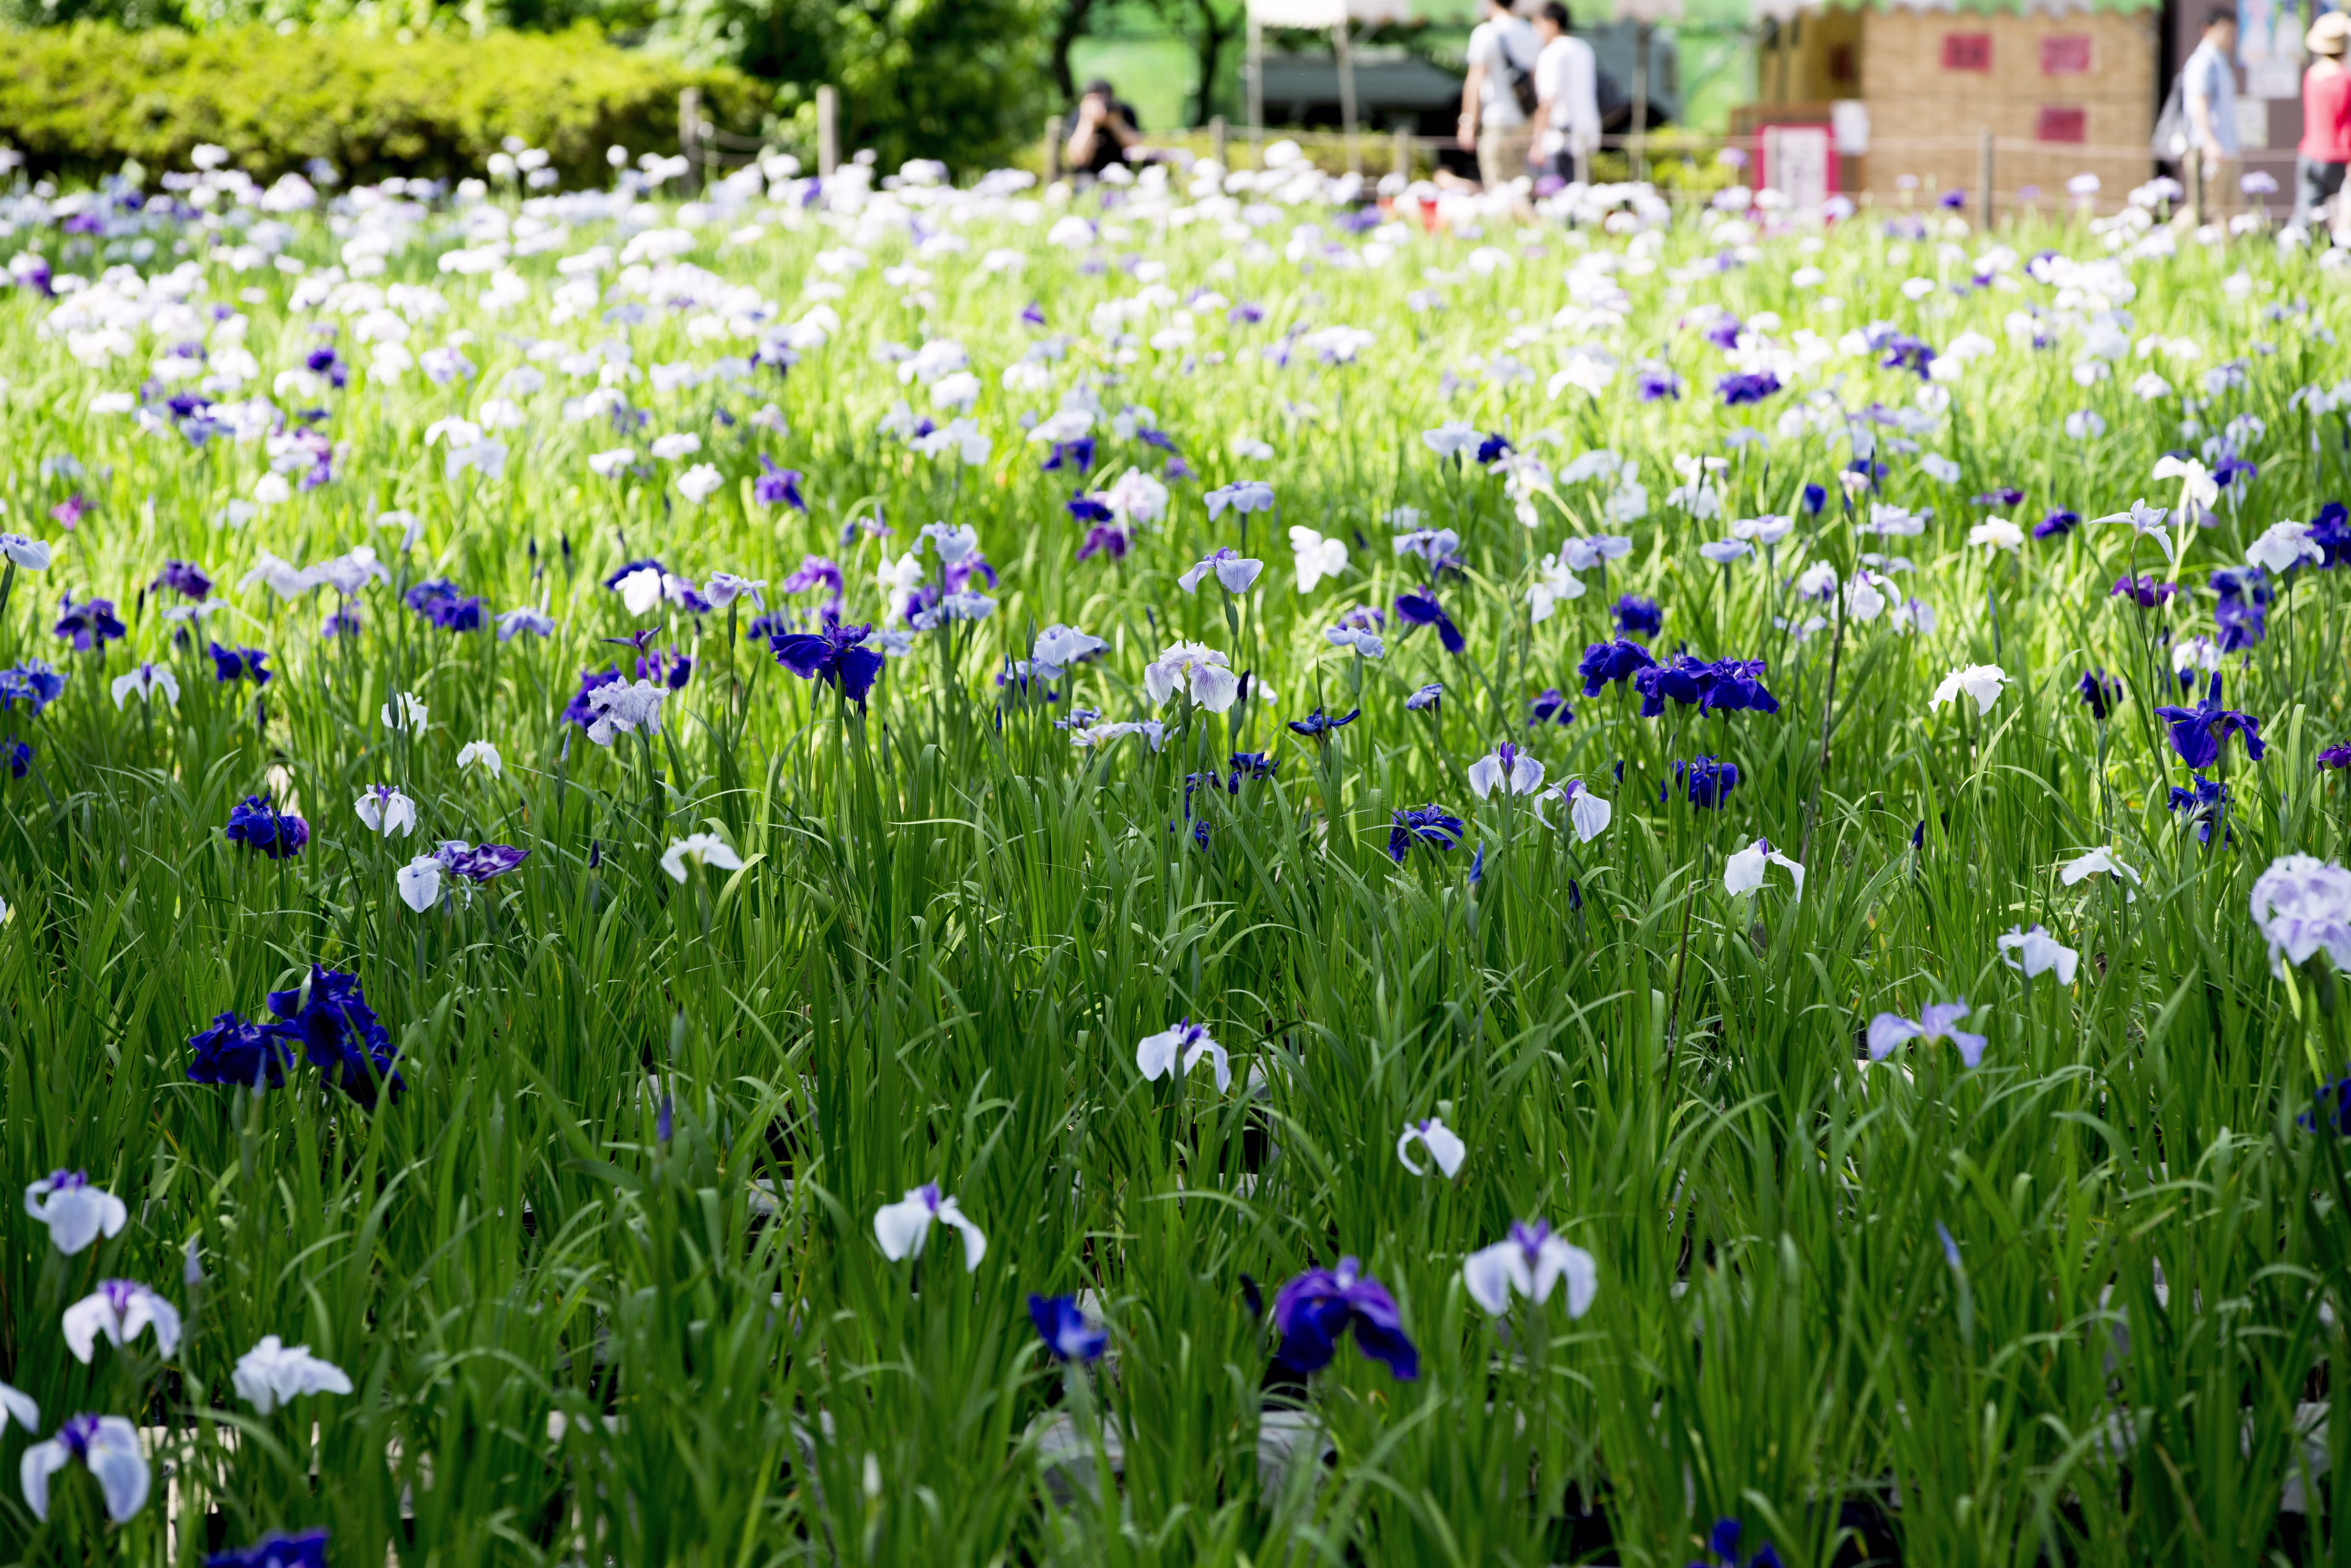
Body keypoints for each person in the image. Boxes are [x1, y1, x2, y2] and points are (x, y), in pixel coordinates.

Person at [1458, 0, 1540, 193]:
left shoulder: (1485, 32)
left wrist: (1467, 123)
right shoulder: (1531, 32)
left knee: (1498, 189)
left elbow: (1474, 82)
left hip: (1497, 121)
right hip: (1527, 122)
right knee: (1521, 186)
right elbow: (1536, 83)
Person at [1527, 1, 1601, 187]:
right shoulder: (1584, 48)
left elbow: (1547, 101)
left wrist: (1537, 143)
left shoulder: (1552, 53)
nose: (1535, 32)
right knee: (1579, 193)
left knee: (1557, 196)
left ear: (1552, 24)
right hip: (1588, 132)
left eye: (1537, 25)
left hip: (1561, 139)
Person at [2182, 7, 2242, 214]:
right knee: (2203, 211)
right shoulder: (2203, 61)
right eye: (2225, 30)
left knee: (2229, 215)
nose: (2230, 36)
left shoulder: (2220, 61)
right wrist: (2209, 141)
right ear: (2208, 29)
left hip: (2226, 149)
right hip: (2209, 150)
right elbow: (2197, 102)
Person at [2297, 10, 2351, 241]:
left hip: (2309, 154)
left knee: (2305, 217)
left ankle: (2290, 256)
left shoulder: (2312, 75)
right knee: (2343, 220)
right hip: (2338, 158)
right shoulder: (2345, 80)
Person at [1064, 80, 1140, 181]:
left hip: (1124, 170)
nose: (1101, 107)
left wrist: (1116, 124)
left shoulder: (1123, 112)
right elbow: (1079, 159)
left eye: (1103, 100)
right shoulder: (1077, 116)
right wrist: (1088, 123)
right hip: (1090, 175)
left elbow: (1138, 149)